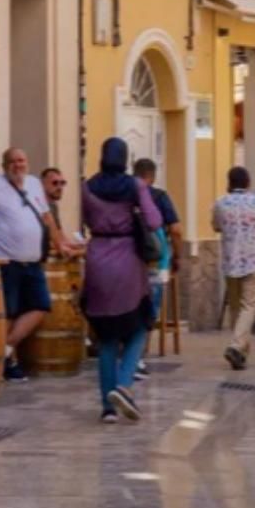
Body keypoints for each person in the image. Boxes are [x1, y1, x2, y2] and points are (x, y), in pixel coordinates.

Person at [0, 148, 78, 382]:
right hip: (5, 260)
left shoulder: (32, 183)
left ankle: (4, 350)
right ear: (4, 165)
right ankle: (6, 364)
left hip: (31, 261)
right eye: (12, 161)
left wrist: (60, 243)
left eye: (21, 160)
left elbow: (46, 217)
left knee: (40, 306)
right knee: (8, 312)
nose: (18, 165)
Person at [81, 138, 162, 421]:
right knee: (141, 324)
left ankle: (107, 408)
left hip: (97, 259)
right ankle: (124, 384)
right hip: (128, 260)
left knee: (106, 337)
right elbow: (154, 222)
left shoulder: (88, 187)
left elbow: (84, 219)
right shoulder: (135, 186)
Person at [214, 165, 255, 370]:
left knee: (236, 308)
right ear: (248, 183)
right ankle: (236, 346)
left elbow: (215, 226)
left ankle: (241, 353)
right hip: (252, 263)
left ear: (229, 182)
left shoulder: (220, 203)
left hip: (230, 262)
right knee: (249, 307)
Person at [133, 159, 181, 374]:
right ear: (152, 176)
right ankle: (138, 356)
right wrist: (177, 257)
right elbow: (177, 230)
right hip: (157, 260)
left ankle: (130, 353)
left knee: (131, 306)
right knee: (150, 307)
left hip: (130, 260)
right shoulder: (160, 197)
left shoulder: (127, 195)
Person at [40, 166, 72, 256]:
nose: (60, 187)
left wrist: (74, 244)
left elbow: (60, 234)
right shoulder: (38, 205)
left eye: (62, 183)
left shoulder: (53, 206)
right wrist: (59, 245)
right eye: (55, 183)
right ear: (43, 184)